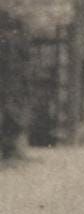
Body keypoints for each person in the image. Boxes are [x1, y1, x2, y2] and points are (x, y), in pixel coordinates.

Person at [0, 9, 31, 161]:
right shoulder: (13, 39)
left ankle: (10, 151)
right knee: (11, 114)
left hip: (11, 81)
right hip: (10, 82)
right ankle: (10, 152)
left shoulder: (12, 40)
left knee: (11, 114)